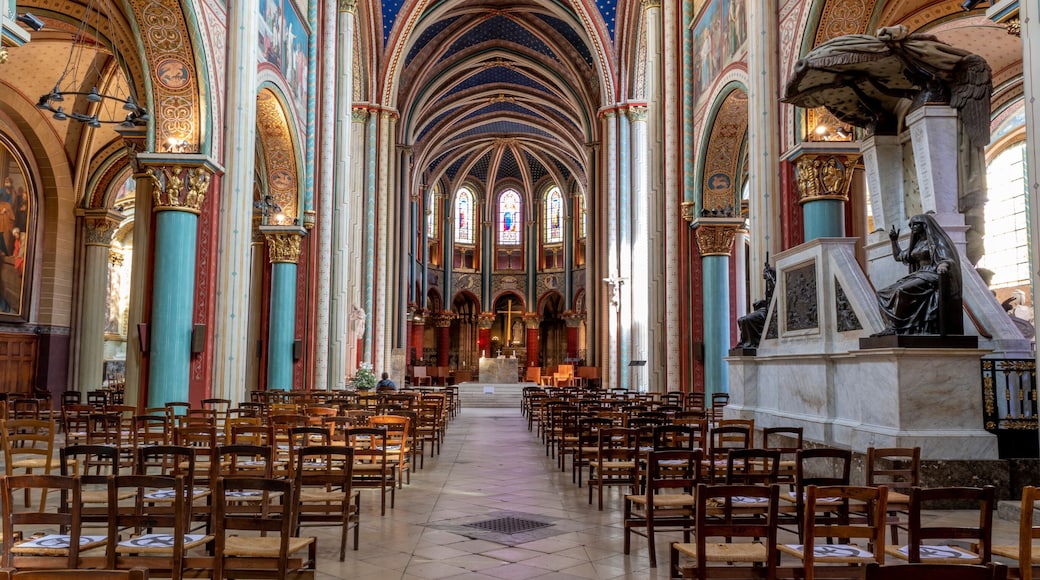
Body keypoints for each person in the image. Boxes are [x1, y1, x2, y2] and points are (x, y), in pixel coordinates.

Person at [873, 213, 962, 336]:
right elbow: (899, 256)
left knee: (901, 290)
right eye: (911, 225)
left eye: (916, 224)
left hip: (932, 274)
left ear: (925, 225)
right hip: (919, 274)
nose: (913, 227)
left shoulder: (937, 242)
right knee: (881, 293)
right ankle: (891, 326)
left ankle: (896, 328)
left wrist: (943, 265)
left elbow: (948, 259)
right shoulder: (917, 244)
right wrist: (894, 241)